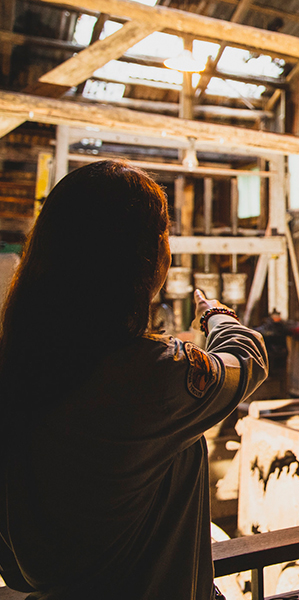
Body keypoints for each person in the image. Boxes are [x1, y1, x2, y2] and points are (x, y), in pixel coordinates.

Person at [0, 160, 268, 599]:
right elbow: (248, 359)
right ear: (141, 255)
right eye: (163, 233)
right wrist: (217, 315)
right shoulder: (150, 376)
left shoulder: (17, 362)